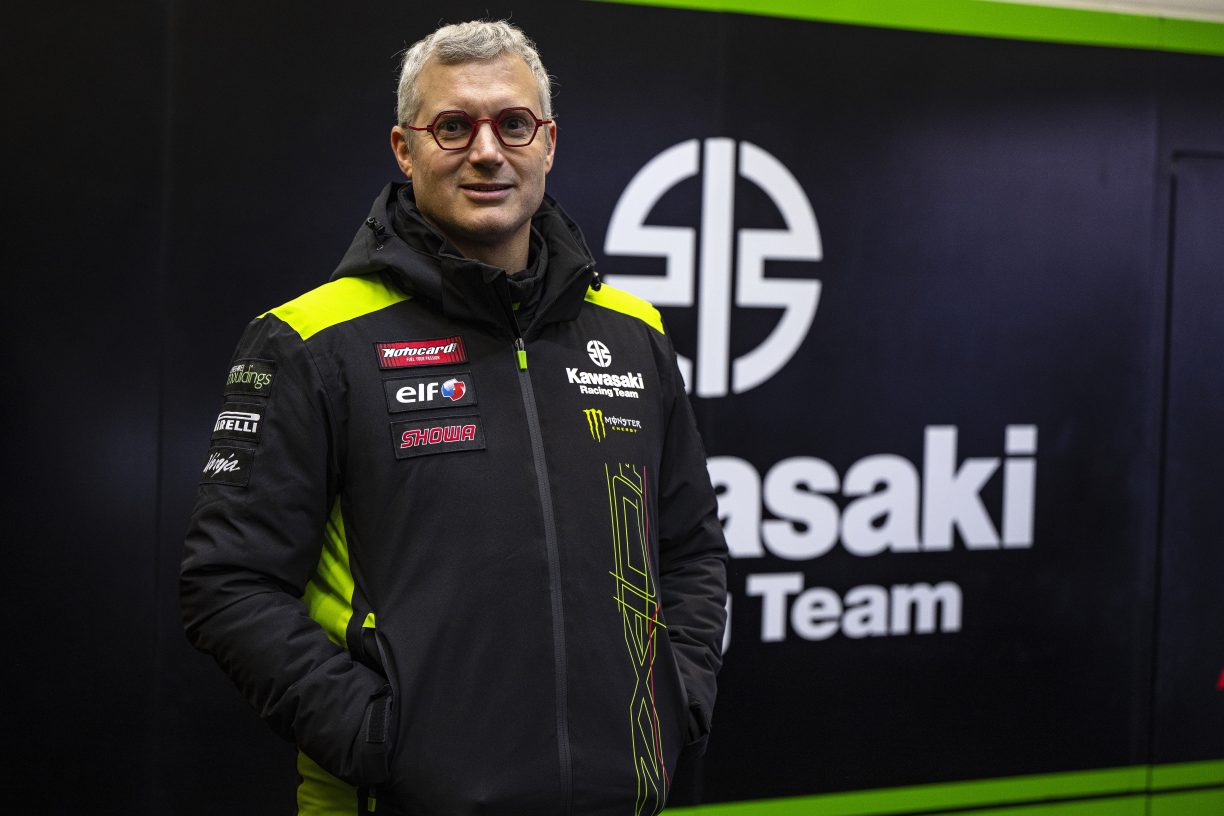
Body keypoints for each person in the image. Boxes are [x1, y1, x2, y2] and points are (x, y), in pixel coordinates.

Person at [181, 19, 728, 816]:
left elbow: (690, 550)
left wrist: (675, 702)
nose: (487, 151)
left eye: (513, 123)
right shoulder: (312, 340)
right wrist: (381, 741)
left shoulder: (633, 332)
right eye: (453, 126)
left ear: (548, 144)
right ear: (404, 150)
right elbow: (229, 584)